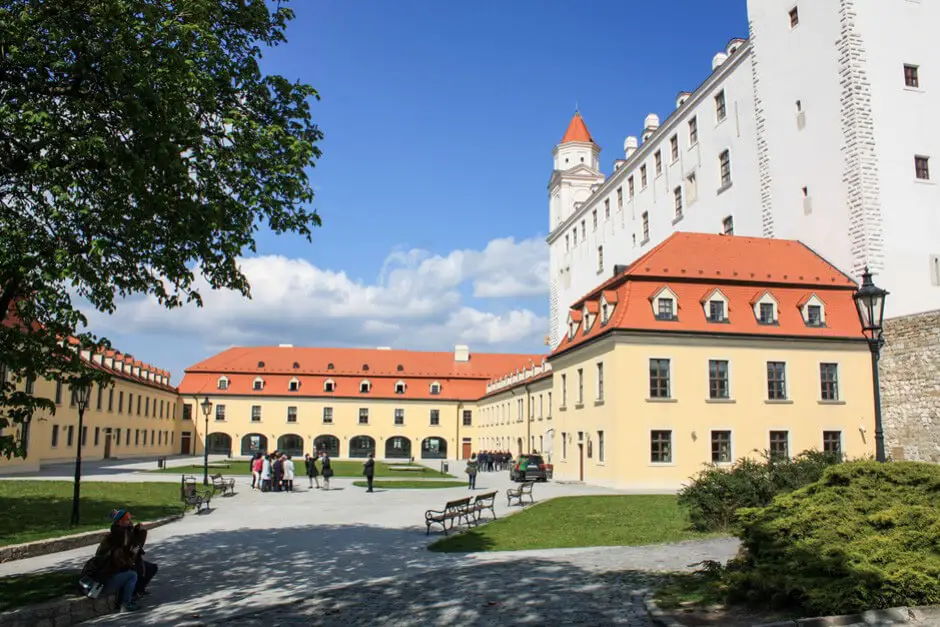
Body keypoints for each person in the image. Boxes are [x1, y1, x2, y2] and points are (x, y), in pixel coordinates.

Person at [80, 509, 151, 612]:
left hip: (108, 575)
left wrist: (136, 534)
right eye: (127, 519)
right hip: (102, 582)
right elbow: (125, 558)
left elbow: (134, 550)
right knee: (132, 574)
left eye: (130, 519)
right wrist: (136, 537)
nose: (130, 521)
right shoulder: (118, 538)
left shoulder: (122, 535)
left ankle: (134, 594)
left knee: (146, 568)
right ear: (120, 522)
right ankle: (125, 604)